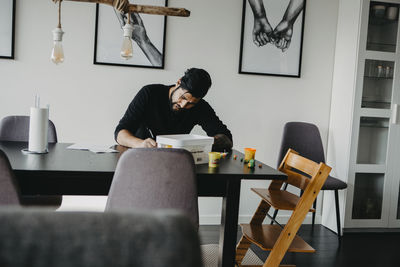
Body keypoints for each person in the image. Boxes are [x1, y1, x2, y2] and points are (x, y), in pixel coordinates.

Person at [115, 68, 233, 151]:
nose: (183, 105)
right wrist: (140, 144)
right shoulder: (150, 93)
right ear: (178, 82)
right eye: (183, 98)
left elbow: (226, 138)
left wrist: (202, 144)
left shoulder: (200, 107)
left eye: (191, 103)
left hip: (176, 164)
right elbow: (120, 133)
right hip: (141, 158)